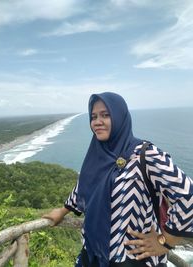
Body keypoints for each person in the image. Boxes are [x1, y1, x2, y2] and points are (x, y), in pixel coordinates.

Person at [43, 92, 193, 267]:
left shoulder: (146, 155)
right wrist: (63, 211)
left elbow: (187, 195)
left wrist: (166, 241)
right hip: (93, 253)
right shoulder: (97, 153)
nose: (97, 121)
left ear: (120, 117)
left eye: (105, 115)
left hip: (132, 259)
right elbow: (86, 186)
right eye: (93, 116)